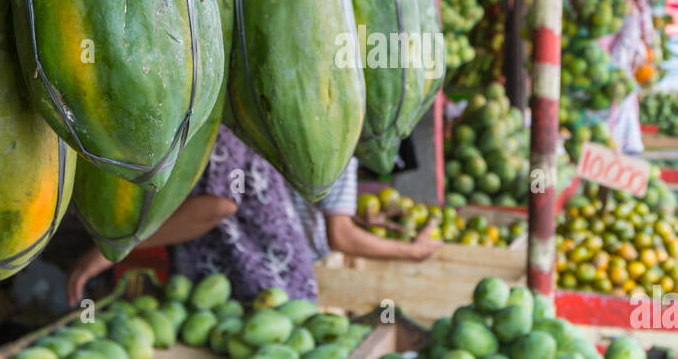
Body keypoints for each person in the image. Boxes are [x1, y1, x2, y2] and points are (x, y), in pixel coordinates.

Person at [66, 126, 442, 305]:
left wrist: (116, 246)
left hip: (258, 286)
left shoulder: (219, 114)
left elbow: (220, 203)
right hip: (240, 285)